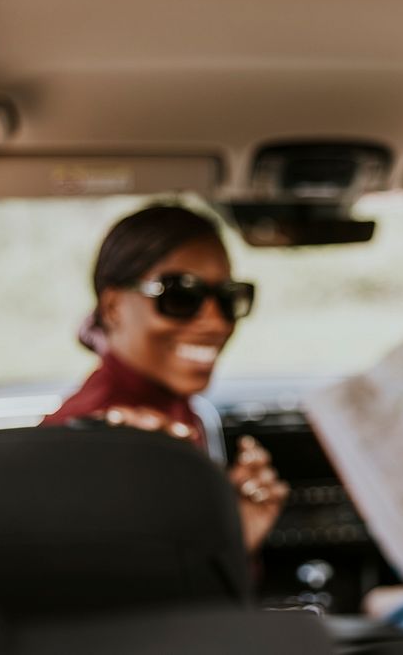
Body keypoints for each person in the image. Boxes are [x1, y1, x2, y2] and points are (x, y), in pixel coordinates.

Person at [42, 204, 288, 552]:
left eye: (229, 298)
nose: (217, 323)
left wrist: (229, 533)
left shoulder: (173, 408)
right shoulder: (91, 434)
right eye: (181, 296)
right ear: (113, 307)